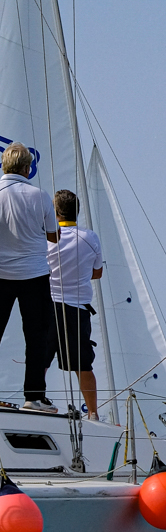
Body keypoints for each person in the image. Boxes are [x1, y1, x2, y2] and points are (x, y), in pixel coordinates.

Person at [0, 143, 61, 411]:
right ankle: (33, 398)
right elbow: (54, 236)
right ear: (27, 168)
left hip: (1, 274)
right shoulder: (39, 195)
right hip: (34, 275)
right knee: (36, 337)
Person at [45, 190, 103, 418]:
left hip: (49, 306)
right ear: (76, 211)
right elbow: (97, 273)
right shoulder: (90, 238)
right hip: (77, 310)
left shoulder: (45, 238)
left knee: (41, 357)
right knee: (83, 364)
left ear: (55, 212)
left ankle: (35, 400)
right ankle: (93, 413)